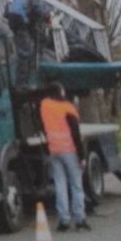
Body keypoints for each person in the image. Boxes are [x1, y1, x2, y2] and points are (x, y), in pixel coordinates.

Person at [40, 81, 91, 231]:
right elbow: (75, 133)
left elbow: (42, 124)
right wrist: (82, 156)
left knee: (60, 185)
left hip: (54, 150)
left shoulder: (44, 105)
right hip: (69, 151)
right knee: (76, 185)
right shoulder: (68, 108)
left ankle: (64, 220)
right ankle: (80, 219)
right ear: (61, 92)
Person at [7, 0, 51, 86]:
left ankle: (30, 71)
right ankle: (22, 83)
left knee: (33, 38)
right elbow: (39, 9)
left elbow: (9, 8)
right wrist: (48, 16)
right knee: (26, 52)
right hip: (21, 23)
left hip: (15, 22)